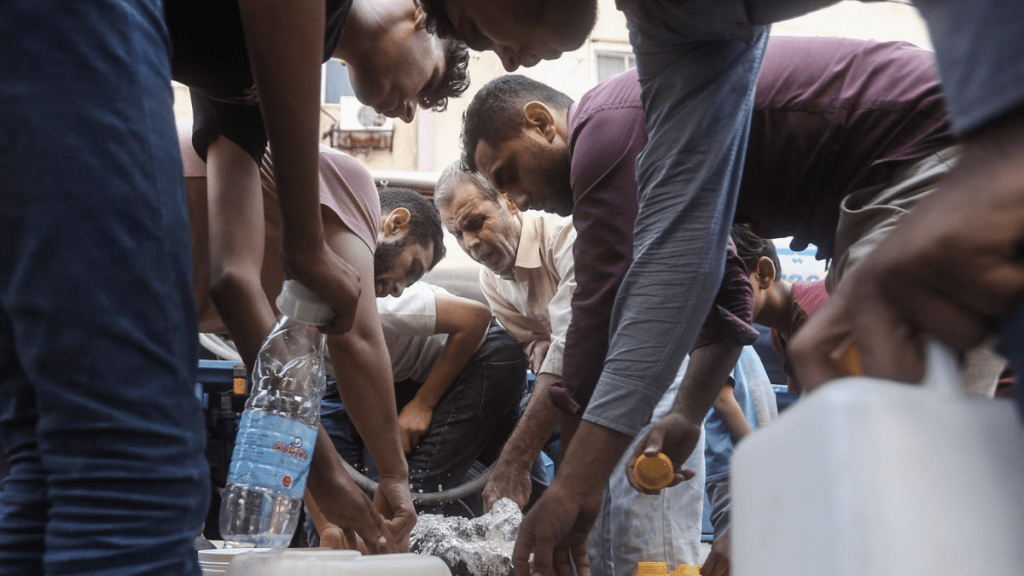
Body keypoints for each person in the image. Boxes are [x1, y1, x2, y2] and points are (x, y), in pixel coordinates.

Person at [1, 1, 209, 573]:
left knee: (43, 460)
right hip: (73, 30)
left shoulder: (231, 93)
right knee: (133, 477)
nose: (415, 107)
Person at [434, 166, 715, 575]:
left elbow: (574, 349)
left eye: (476, 224)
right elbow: (543, 349)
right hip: (586, 406)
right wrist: (545, 347)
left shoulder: (569, 239)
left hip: (646, 389)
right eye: (458, 235)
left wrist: (515, 458)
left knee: (650, 538)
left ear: (509, 201)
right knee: (592, 540)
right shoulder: (492, 282)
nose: (471, 243)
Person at [182, 130, 441, 550]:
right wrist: (394, 475)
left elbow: (281, 393)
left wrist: (326, 516)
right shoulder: (354, 184)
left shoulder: (269, 284)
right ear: (395, 223)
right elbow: (356, 339)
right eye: (410, 270)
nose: (398, 291)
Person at [312, 276, 528, 525]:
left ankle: (405, 560)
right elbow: (299, 444)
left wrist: (422, 404)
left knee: (414, 491)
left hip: (485, 356)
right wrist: (326, 526)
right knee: (495, 478)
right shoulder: (300, 348)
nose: (398, 287)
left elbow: (477, 317)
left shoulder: (383, 308)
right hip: (427, 374)